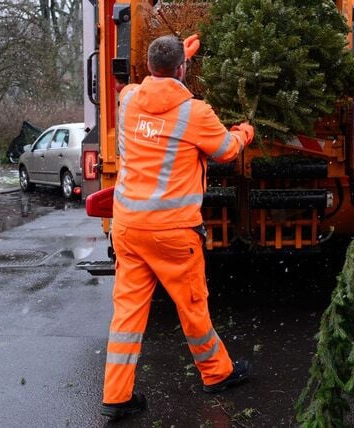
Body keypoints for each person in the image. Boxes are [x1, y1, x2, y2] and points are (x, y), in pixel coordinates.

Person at [100, 35, 255, 420]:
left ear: (152, 68)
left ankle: (116, 396)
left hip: (128, 227)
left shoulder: (129, 100)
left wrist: (175, 58)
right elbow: (225, 150)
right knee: (192, 306)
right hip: (172, 232)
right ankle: (217, 374)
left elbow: (148, 81)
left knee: (128, 314)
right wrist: (245, 132)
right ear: (183, 70)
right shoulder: (195, 113)